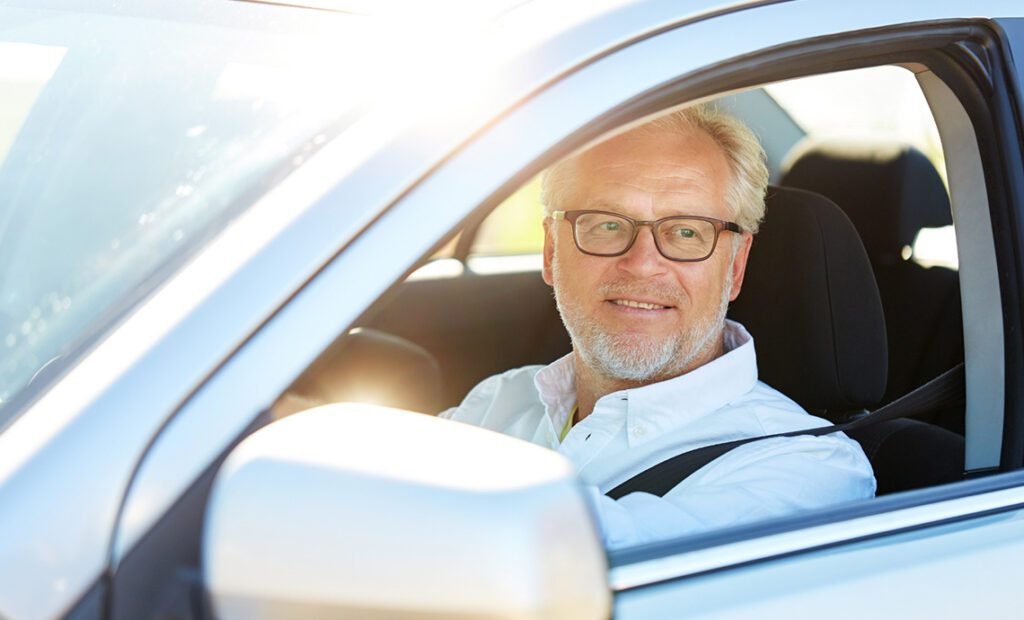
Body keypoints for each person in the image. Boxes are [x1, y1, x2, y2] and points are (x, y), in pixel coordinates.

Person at [441, 104, 875, 549]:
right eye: (607, 224)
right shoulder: (497, 401)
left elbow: (583, 564)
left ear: (737, 266)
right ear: (551, 251)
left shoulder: (810, 470)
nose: (643, 264)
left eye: (687, 233)